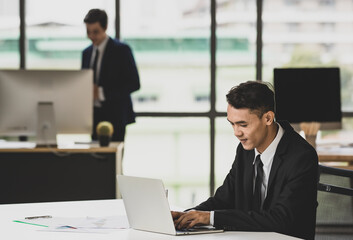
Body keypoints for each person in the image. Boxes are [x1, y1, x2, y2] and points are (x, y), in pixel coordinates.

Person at [172, 81, 318, 240]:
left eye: (243, 124)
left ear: (268, 118)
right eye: (232, 124)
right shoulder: (246, 149)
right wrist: (186, 216)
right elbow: (223, 199)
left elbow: (280, 220)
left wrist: (211, 218)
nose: (236, 133)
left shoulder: (302, 157)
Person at [82, 9, 140, 142]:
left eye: (95, 31)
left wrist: (101, 93)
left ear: (105, 27)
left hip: (116, 117)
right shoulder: (86, 53)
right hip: (93, 117)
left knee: (114, 160)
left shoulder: (121, 50)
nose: (91, 36)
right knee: (94, 159)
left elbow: (134, 83)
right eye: (88, 32)